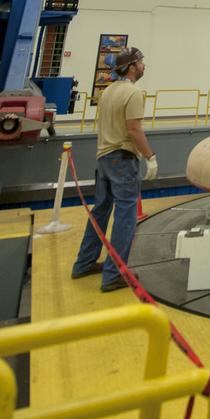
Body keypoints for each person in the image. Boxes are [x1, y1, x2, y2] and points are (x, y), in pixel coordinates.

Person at [71, 46, 157, 292]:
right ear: (131, 67)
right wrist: (150, 156)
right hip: (122, 158)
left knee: (100, 211)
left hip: (104, 158)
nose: (143, 66)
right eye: (141, 62)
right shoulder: (133, 93)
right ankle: (114, 274)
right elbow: (134, 129)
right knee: (125, 217)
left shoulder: (108, 91)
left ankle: (84, 263)